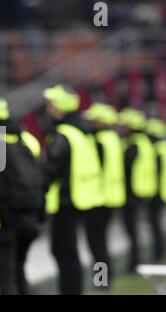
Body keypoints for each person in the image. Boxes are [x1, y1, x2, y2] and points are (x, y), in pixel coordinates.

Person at [0, 94, 44, 295]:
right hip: (28, 218)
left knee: (5, 278)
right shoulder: (28, 139)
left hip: (1, 221)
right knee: (19, 270)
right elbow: (41, 178)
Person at [42, 85, 105, 295]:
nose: (48, 109)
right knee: (97, 247)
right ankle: (102, 283)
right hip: (93, 197)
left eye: (51, 105)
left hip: (70, 199)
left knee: (66, 251)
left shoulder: (64, 134)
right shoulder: (85, 133)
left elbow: (50, 168)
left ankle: (79, 289)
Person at [84, 103, 126, 285]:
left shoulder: (99, 141)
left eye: (94, 119)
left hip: (99, 198)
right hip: (111, 197)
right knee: (101, 242)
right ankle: (106, 277)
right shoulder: (114, 139)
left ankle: (101, 281)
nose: (91, 122)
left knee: (97, 244)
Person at [118, 108, 158, 272]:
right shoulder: (142, 142)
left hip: (132, 192)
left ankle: (135, 261)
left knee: (132, 229)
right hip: (141, 190)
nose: (122, 127)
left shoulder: (133, 144)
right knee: (142, 227)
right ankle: (143, 258)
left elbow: (125, 168)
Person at [145, 118, 166, 262]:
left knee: (156, 224)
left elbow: (156, 173)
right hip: (165, 191)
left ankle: (159, 253)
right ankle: (160, 252)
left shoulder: (158, 149)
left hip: (159, 192)